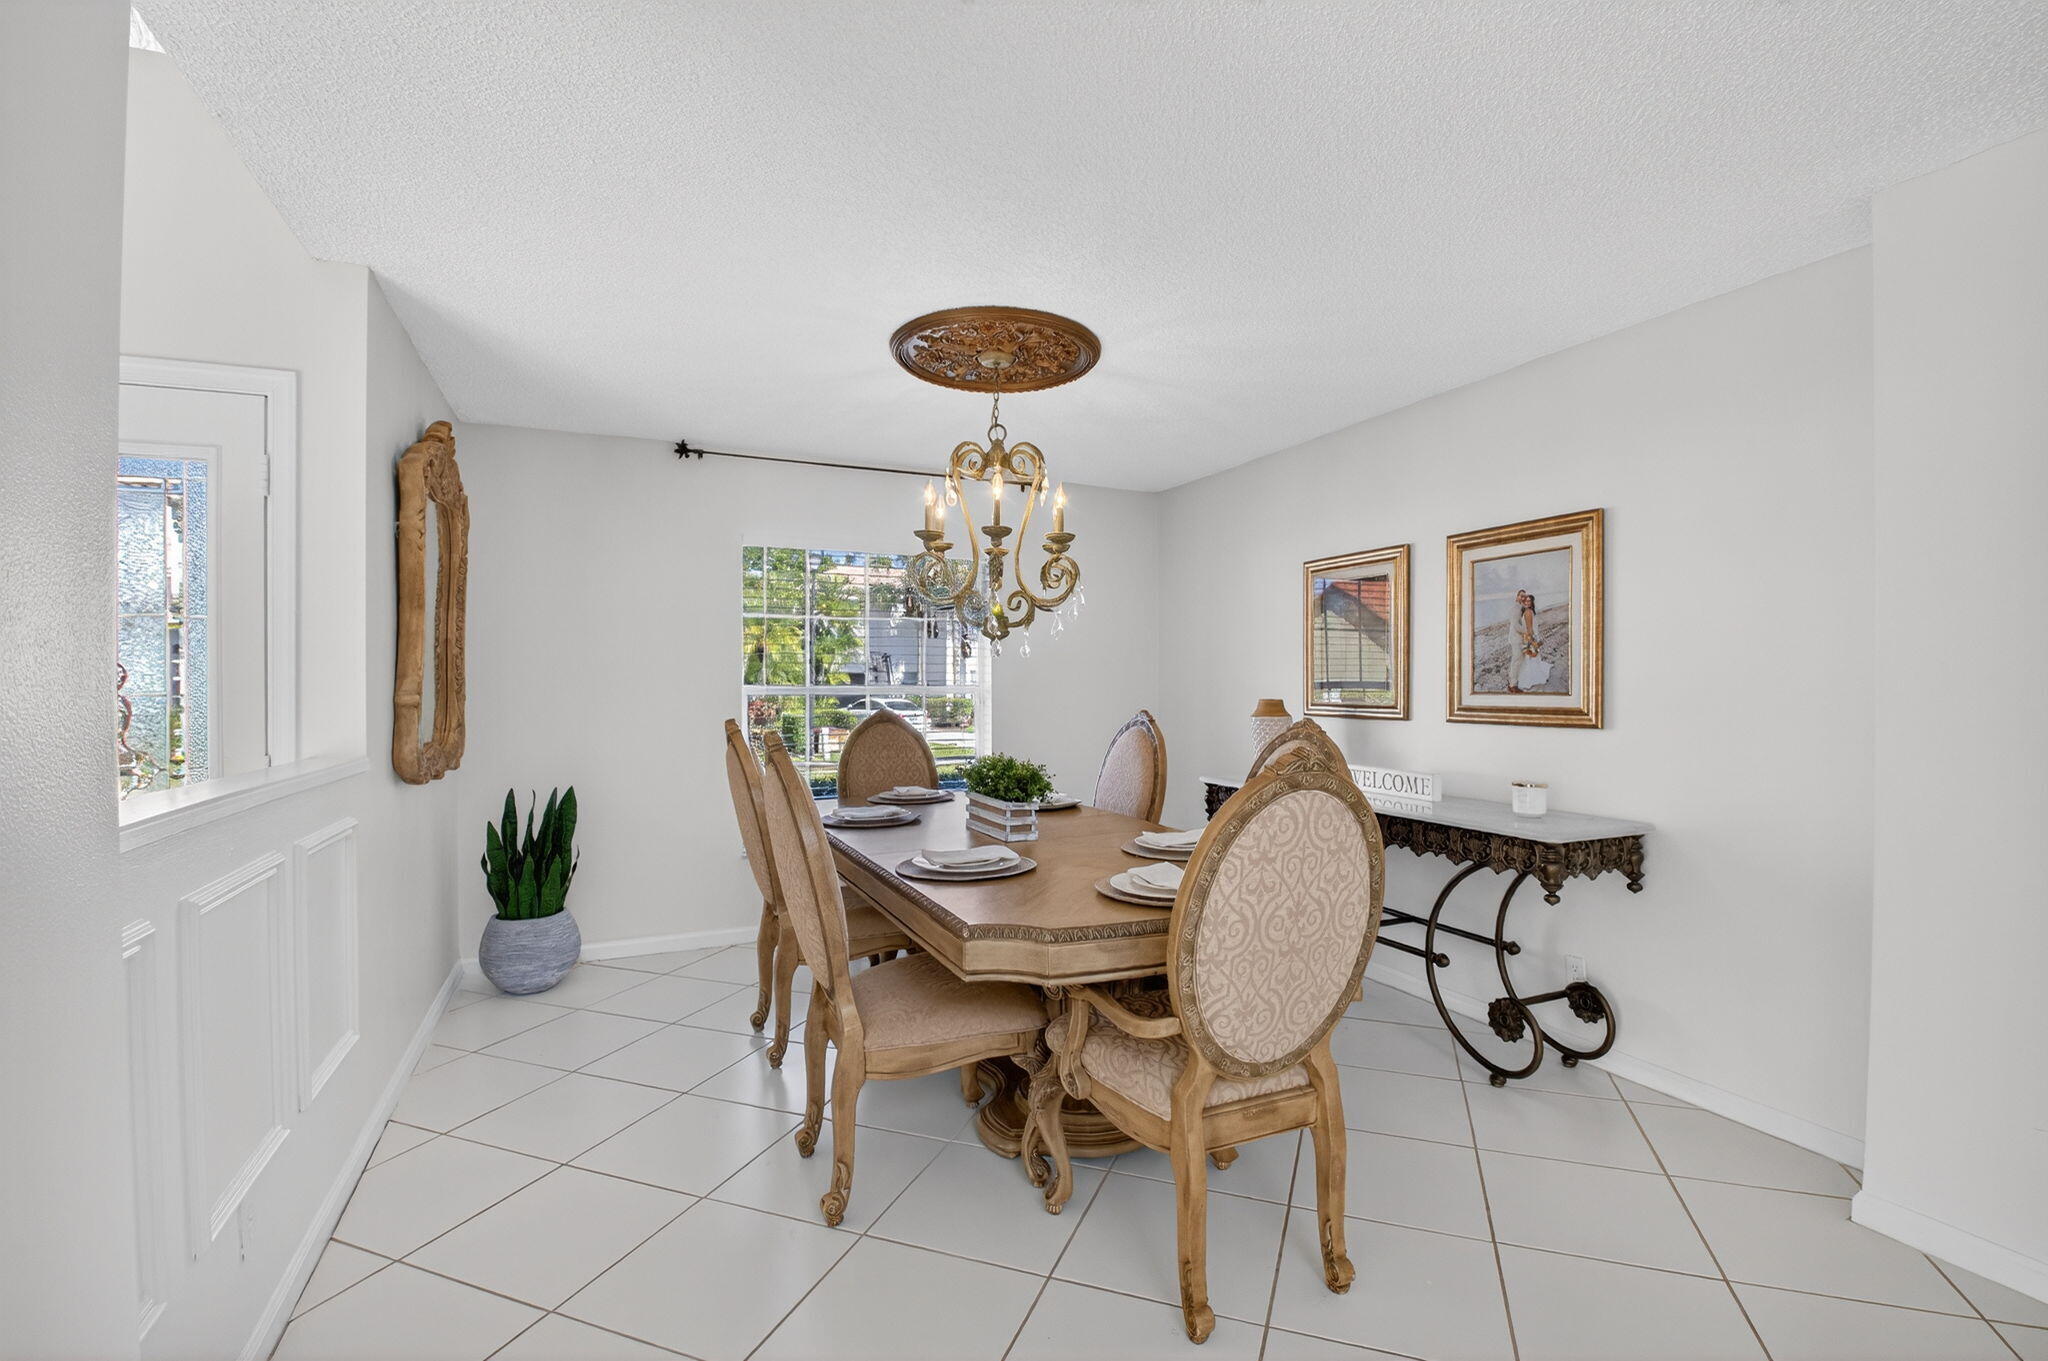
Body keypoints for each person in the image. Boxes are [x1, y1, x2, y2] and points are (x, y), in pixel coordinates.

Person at [1507, 589, 1551, 693]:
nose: (1523, 598)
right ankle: (1512, 685)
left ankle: (1515, 681)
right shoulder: (1516, 609)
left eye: (1525, 597)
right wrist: (1528, 634)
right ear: (1517, 597)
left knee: (1521, 661)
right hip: (1517, 639)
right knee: (1517, 661)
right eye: (1521, 596)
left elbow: (1528, 624)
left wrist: (1529, 637)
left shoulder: (1523, 609)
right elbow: (1516, 626)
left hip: (1523, 639)